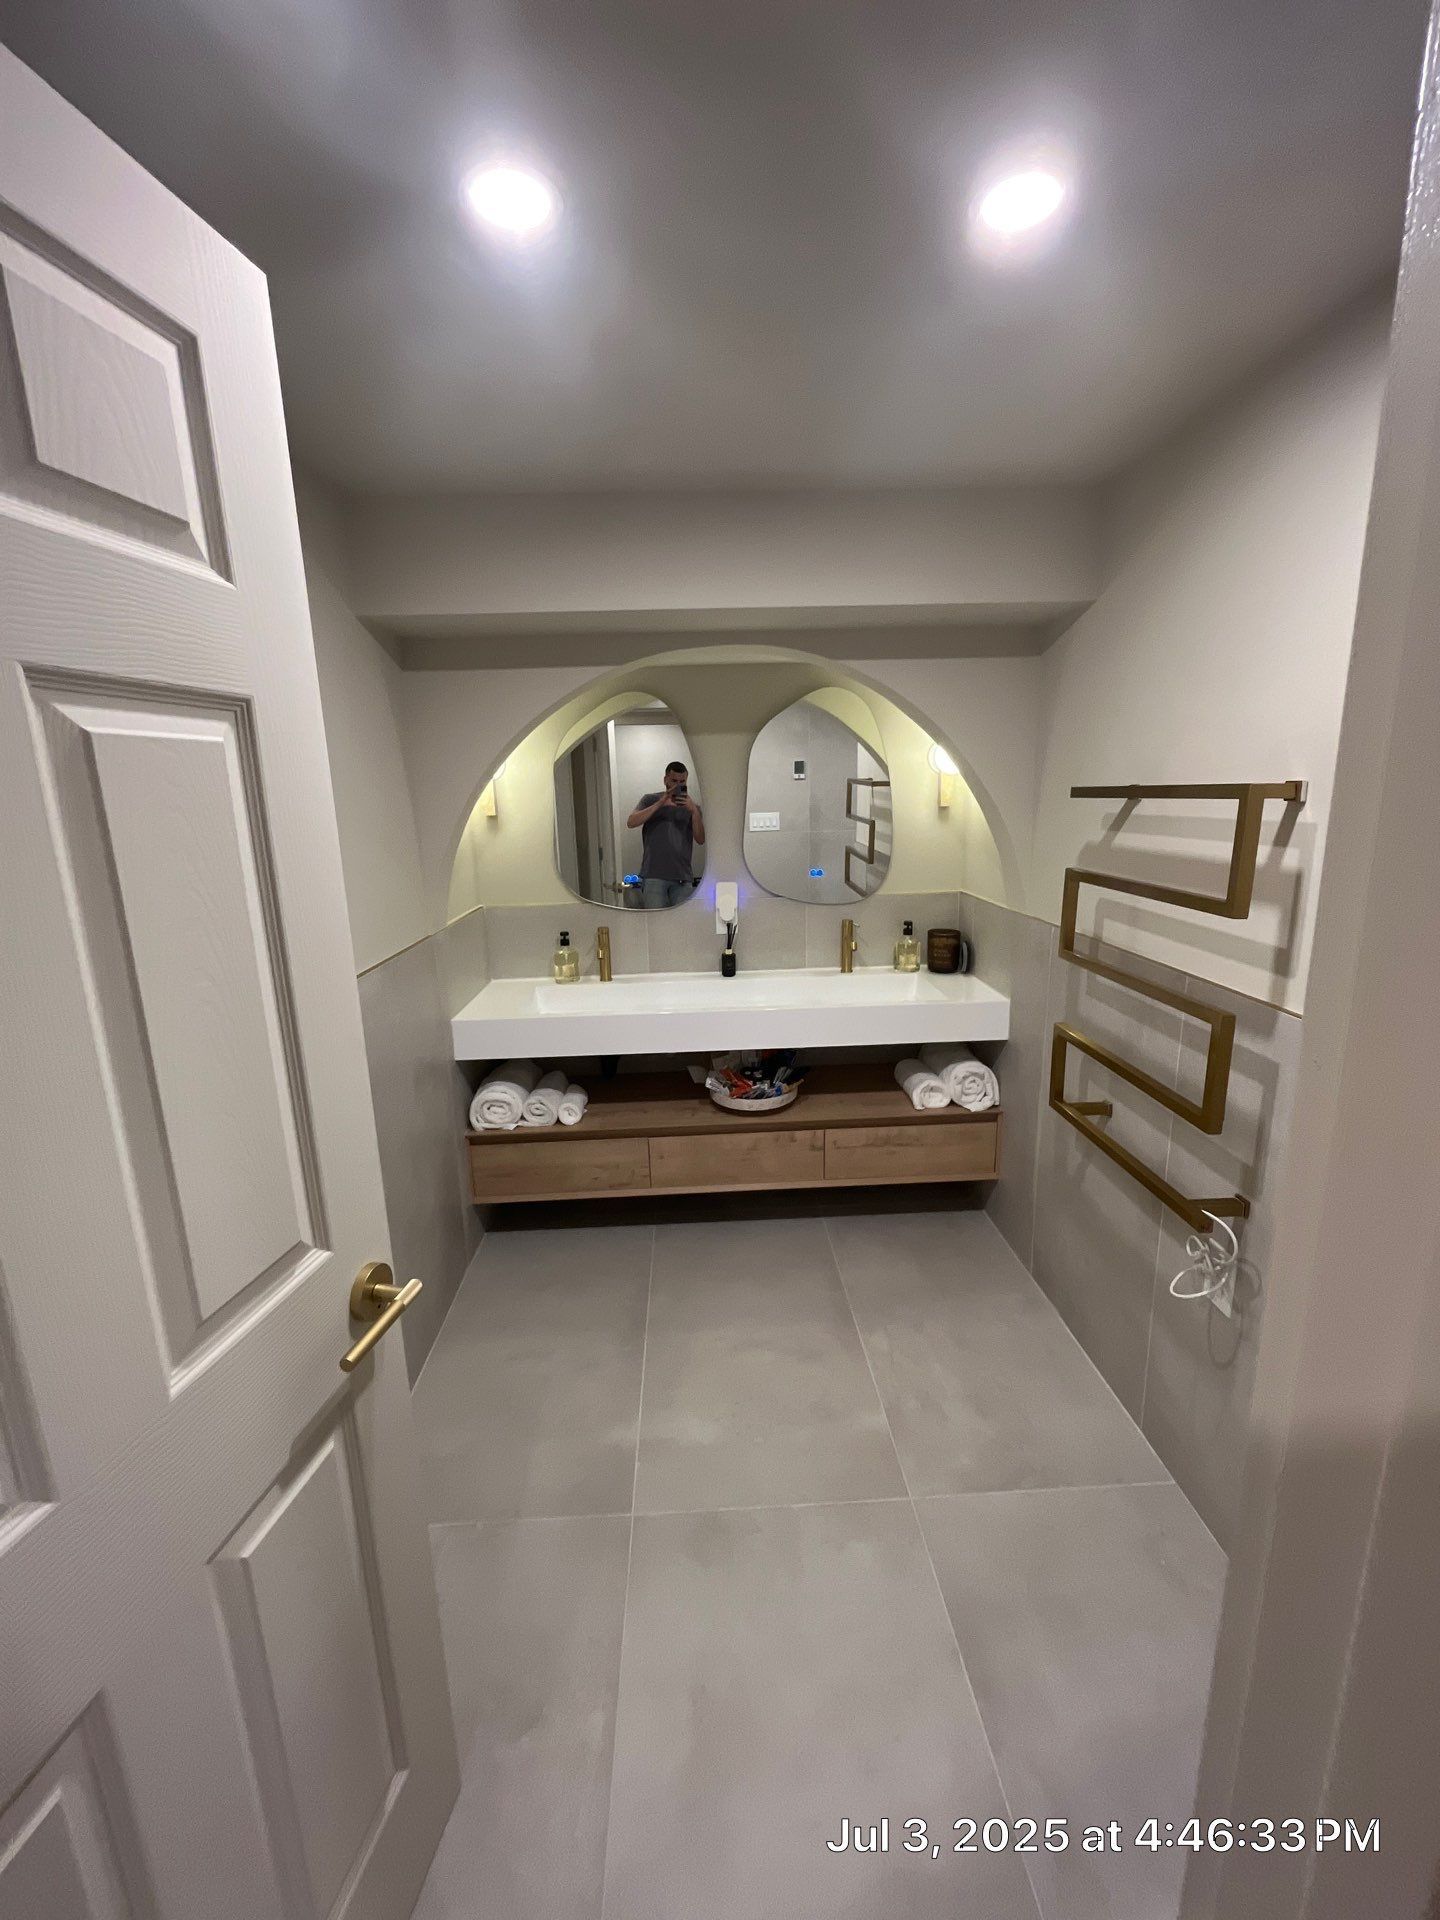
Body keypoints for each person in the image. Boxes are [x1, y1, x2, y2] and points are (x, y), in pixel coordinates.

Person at [627, 760, 704, 907]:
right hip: (653, 875)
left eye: (682, 781)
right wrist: (661, 803)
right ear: (665, 780)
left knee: (681, 926)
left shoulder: (692, 807)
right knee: (655, 925)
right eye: (674, 780)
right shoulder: (650, 799)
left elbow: (700, 839)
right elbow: (631, 822)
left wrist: (694, 811)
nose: (678, 785)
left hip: (683, 877)